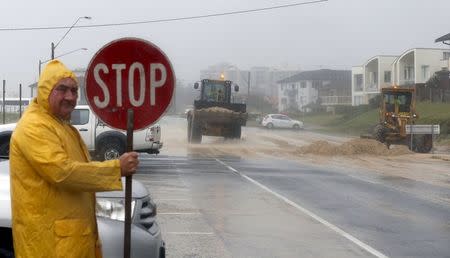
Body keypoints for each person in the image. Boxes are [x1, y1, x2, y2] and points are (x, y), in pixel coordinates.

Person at [9, 60, 139, 258]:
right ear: (45, 91)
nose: (70, 97)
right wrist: (115, 169)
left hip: (70, 243)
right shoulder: (35, 126)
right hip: (49, 246)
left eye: (74, 91)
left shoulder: (63, 127)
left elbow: (79, 170)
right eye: (62, 89)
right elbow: (63, 172)